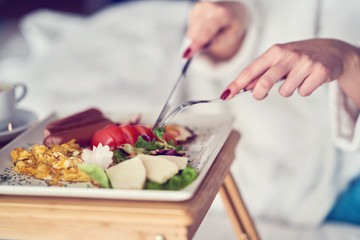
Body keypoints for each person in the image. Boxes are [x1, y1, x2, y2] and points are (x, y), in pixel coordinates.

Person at [182, 0, 360, 227]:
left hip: (343, 183)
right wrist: (230, 35)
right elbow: (205, 50)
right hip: (247, 173)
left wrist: (349, 60)